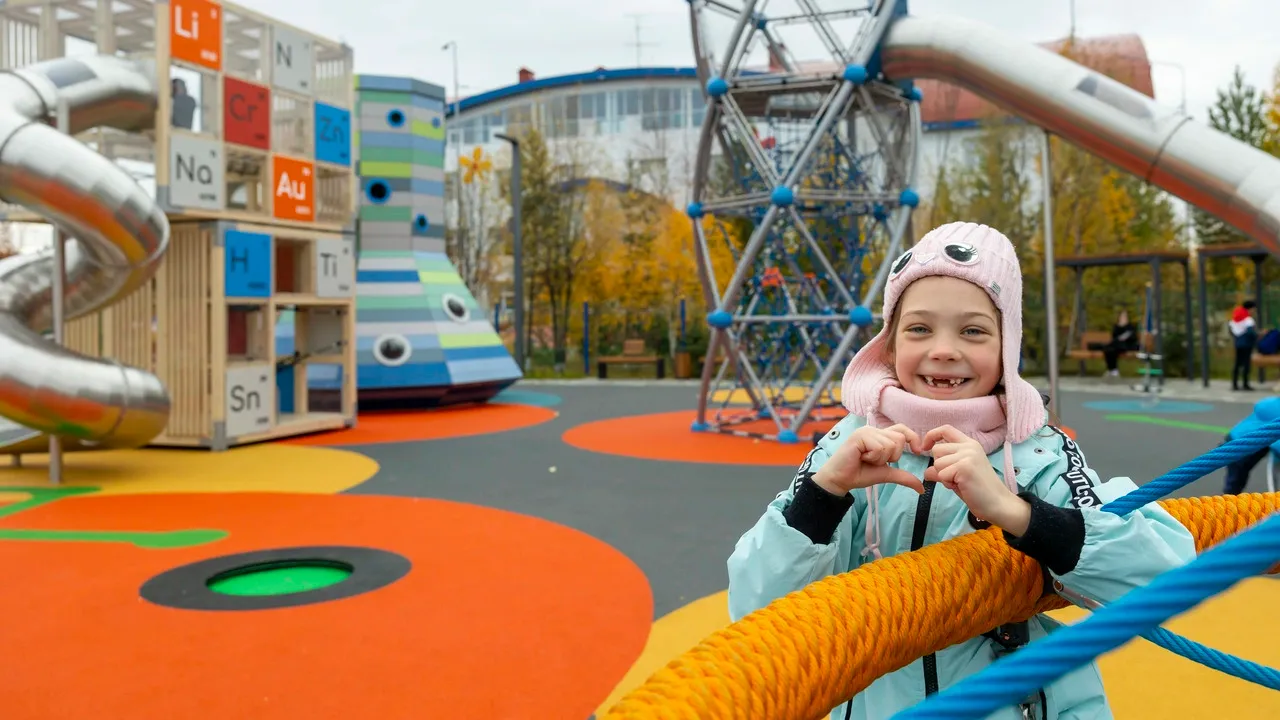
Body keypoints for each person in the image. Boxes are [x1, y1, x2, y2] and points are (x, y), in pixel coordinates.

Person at [727, 222, 1197, 720]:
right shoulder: (848, 442)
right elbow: (758, 607)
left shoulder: (1038, 451)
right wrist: (824, 494)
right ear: (889, 345)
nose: (944, 349)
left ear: (1005, 346)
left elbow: (1161, 573)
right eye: (919, 328)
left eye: (973, 330)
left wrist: (1015, 512)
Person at [1220, 396, 1280, 495]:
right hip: (1238, 444)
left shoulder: (1271, 404)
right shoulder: (1274, 409)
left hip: (1258, 444)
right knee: (1236, 480)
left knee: (1238, 477)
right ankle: (1228, 504)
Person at [1092, 309, 1139, 377]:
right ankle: (1112, 369)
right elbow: (1114, 337)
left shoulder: (1131, 326)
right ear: (1119, 317)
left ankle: (1113, 370)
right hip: (1117, 345)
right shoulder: (1116, 326)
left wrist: (1124, 338)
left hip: (1127, 345)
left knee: (1112, 348)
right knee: (1108, 350)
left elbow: (1133, 338)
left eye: (1125, 316)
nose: (1124, 318)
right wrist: (1119, 329)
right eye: (1122, 316)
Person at [1229, 300, 1258, 391]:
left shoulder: (1235, 319)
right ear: (1250, 309)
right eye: (1253, 309)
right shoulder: (1248, 320)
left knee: (1237, 363)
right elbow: (1250, 332)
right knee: (1246, 364)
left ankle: (1235, 384)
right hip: (1247, 344)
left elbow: (1231, 330)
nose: (1254, 311)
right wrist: (1256, 336)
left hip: (1238, 343)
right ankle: (1245, 384)